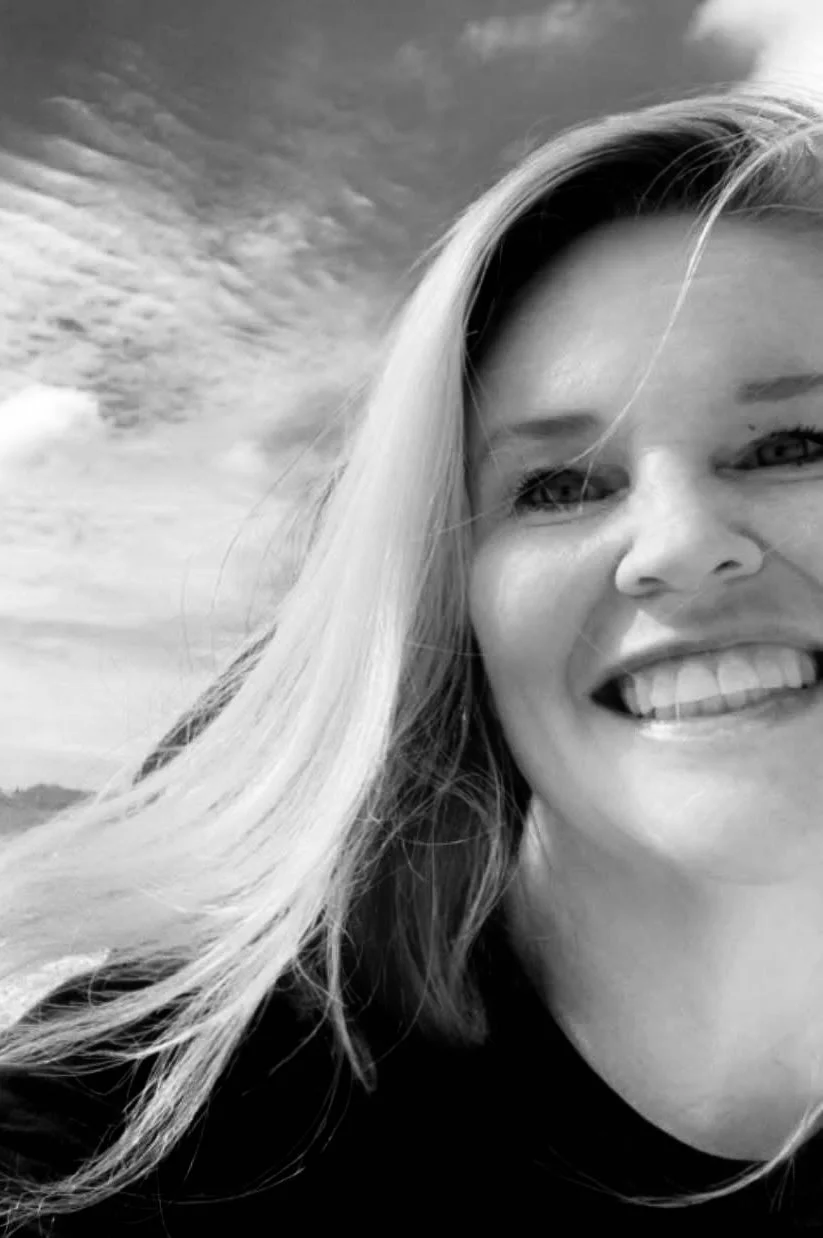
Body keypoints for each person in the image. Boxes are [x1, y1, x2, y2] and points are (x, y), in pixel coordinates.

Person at [3, 80, 823, 1234]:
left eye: (793, 443)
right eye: (556, 486)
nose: (679, 545)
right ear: (455, 606)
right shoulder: (195, 1114)